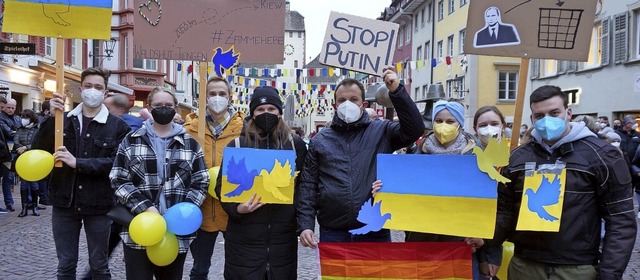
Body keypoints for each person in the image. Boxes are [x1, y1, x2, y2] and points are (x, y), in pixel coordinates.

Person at [489, 85, 636, 279]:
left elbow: (620, 220)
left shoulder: (603, 156)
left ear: (568, 113)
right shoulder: (517, 158)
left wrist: (609, 274)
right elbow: (505, 211)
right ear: (532, 118)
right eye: (539, 116)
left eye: (554, 112)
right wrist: (485, 240)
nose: (547, 120)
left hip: (577, 269)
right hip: (525, 266)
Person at [296, 67, 424, 247]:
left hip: (374, 230)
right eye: (342, 100)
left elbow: (414, 130)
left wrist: (397, 91)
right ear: (334, 106)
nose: (347, 104)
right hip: (333, 231)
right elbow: (308, 184)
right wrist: (305, 225)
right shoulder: (321, 140)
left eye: (353, 99)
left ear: (363, 105)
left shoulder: (382, 131)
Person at [31, 67, 131, 279]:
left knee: (99, 265)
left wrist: (78, 163)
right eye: (88, 86)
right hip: (64, 201)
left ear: (105, 93)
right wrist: (50, 118)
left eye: (98, 87)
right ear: (80, 88)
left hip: (99, 204)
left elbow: (117, 164)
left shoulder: (118, 127)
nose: (92, 91)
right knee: (66, 265)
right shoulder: (62, 120)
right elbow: (39, 151)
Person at [110, 87, 208, 280]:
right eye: (158, 105)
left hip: (176, 233)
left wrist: (183, 210)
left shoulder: (190, 143)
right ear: (149, 107)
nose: (164, 109)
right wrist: (145, 207)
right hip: (139, 230)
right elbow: (118, 178)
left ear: (176, 108)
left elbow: (201, 180)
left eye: (168, 105)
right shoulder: (131, 140)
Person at [392, 100, 495, 280]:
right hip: (422, 242)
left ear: (460, 124)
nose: (443, 126)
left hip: (461, 243)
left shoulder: (478, 156)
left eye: (450, 121)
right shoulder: (418, 153)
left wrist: (482, 239)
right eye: (438, 121)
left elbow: (490, 204)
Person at [215, 86, 307, 279]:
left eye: (271, 109)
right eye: (261, 109)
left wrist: (299, 220)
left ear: (279, 112)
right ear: (253, 113)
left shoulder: (294, 144)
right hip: (243, 240)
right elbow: (221, 187)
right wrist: (237, 209)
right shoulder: (237, 145)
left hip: (282, 240)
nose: (266, 113)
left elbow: (304, 185)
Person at [184, 76, 245, 280]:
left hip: (233, 212)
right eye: (212, 94)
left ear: (229, 98)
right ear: (204, 97)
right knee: (199, 270)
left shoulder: (244, 130)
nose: (216, 98)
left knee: (237, 269)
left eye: (221, 94)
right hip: (199, 212)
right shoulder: (189, 130)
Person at [14, 109, 42, 217]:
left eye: (26, 117)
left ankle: (35, 206)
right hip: (22, 159)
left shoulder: (37, 129)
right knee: (24, 185)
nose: (23, 119)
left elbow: (38, 143)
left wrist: (26, 147)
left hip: (34, 159)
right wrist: (20, 148)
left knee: (34, 184)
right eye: (22, 117)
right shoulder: (19, 129)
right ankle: (24, 208)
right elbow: (16, 140)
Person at [0, 98, 20, 212]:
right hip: (5, 151)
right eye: (8, 107)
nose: (10, 110)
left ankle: (9, 202)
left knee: (10, 178)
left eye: (13, 108)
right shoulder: (1, 118)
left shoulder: (17, 118)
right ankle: (9, 202)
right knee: (7, 177)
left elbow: (18, 132)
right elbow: (10, 133)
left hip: (14, 151)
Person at [37, 100, 52, 206]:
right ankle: (43, 197)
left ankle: (46, 196)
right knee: (44, 177)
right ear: (47, 111)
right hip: (43, 151)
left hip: (48, 151)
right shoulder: (43, 121)